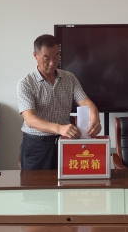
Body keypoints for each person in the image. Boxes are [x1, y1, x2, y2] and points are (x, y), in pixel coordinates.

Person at [17, 34, 102, 170]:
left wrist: (95, 118)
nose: (52, 62)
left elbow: (86, 102)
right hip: (37, 146)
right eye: (47, 58)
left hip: (64, 142)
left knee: (66, 182)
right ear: (35, 55)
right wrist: (59, 128)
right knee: (35, 183)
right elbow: (30, 119)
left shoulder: (69, 78)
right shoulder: (26, 84)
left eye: (56, 56)